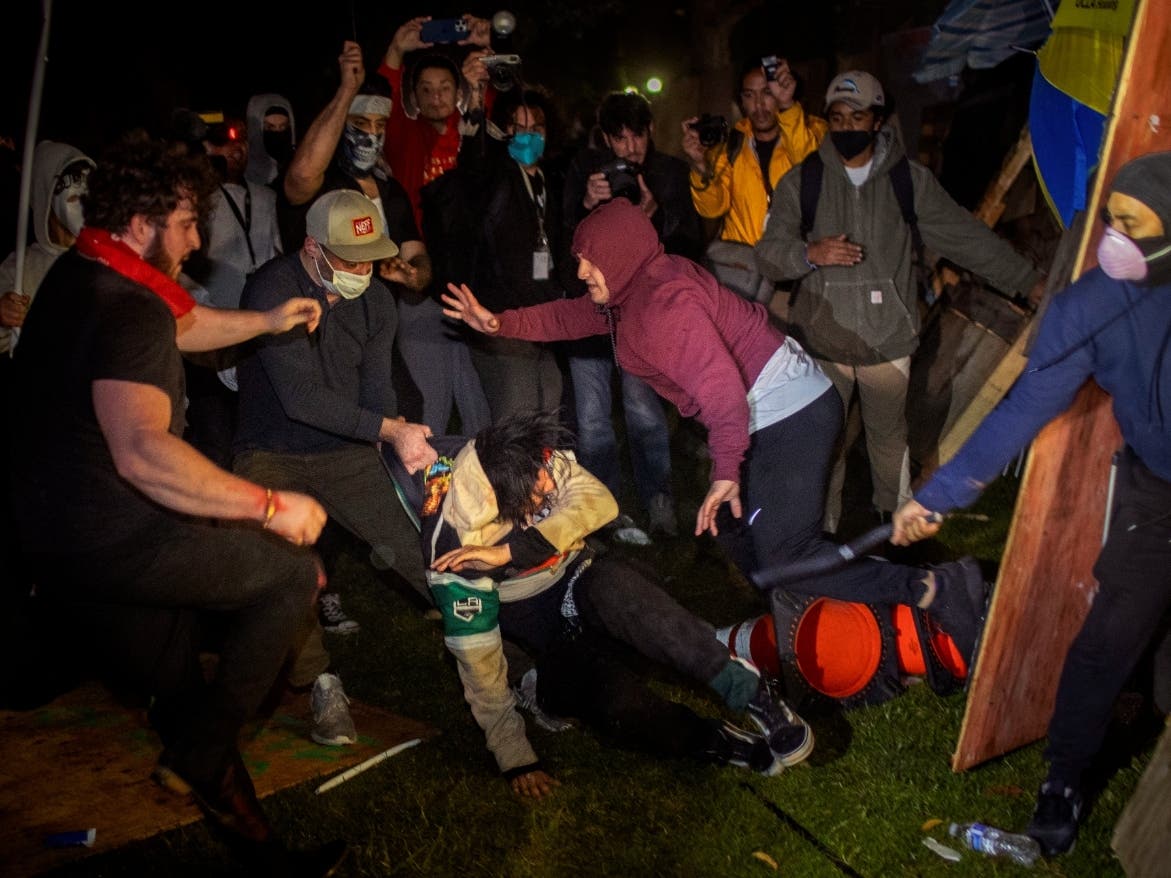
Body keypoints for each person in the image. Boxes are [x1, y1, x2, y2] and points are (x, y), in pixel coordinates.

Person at [442, 197, 989, 668]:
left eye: (589, 263)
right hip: (770, 414)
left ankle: (933, 588)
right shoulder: (637, 288)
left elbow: (724, 394)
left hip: (790, 415)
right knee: (734, 531)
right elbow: (573, 317)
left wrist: (726, 471)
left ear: (619, 256)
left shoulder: (664, 307)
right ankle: (806, 607)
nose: (582, 272)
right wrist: (502, 323)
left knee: (784, 553)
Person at [8, 130, 345, 874]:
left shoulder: (84, 270)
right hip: (113, 535)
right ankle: (200, 749)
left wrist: (263, 320)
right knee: (286, 575)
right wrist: (267, 506)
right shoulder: (126, 307)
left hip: (52, 536)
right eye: (188, 223)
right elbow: (142, 450)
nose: (197, 242)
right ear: (142, 224)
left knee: (178, 692)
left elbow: (182, 325)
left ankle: (258, 851)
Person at [891, 150, 1171, 858]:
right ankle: (1064, 782)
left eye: (1131, 225)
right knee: (1107, 637)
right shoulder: (1088, 307)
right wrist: (939, 496)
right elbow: (1025, 407)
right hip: (1155, 492)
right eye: (1110, 218)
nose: (1113, 237)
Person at [389, 409, 813, 798]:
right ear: (506, 502)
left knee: (626, 594)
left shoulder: (522, 456)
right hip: (549, 639)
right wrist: (515, 757)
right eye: (539, 495)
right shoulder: (453, 552)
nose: (553, 486)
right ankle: (716, 742)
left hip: (582, 578)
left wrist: (513, 552)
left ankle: (751, 693)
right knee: (617, 704)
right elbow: (479, 670)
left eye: (548, 475)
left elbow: (599, 502)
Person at [755, 70, 1044, 533]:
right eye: (837, 118)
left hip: (886, 339)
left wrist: (1025, 280)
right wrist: (808, 254)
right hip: (822, 341)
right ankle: (819, 536)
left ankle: (895, 531)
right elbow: (769, 255)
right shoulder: (801, 181)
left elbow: (964, 238)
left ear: (879, 119)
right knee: (823, 444)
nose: (848, 128)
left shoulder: (909, 182)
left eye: (858, 116)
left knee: (889, 443)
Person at [234, 188, 439, 747]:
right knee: (288, 573)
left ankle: (515, 661)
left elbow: (376, 386)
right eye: (350, 259)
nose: (363, 270)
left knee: (421, 546)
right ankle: (320, 681)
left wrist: (393, 436)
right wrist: (385, 429)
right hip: (271, 450)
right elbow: (299, 397)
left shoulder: (375, 300)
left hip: (345, 448)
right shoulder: (273, 287)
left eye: (371, 256)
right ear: (312, 248)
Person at [562, 90, 702, 539]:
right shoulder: (585, 172)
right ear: (604, 138)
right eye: (619, 139)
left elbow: (689, 246)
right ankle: (605, 511)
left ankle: (659, 503)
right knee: (591, 419)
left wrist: (652, 216)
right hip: (588, 315)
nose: (630, 148)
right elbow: (559, 237)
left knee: (644, 412)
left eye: (637, 135)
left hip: (641, 318)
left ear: (650, 131)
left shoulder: (668, 173)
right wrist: (585, 205)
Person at [442, 86, 570, 422]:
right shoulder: (494, 178)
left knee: (549, 409)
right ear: (504, 131)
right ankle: (507, 476)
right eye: (518, 128)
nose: (528, 136)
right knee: (517, 416)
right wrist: (474, 101)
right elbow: (473, 164)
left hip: (542, 319)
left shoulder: (550, 180)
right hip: (501, 319)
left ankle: (540, 476)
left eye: (536, 128)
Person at [682, 55, 825, 303]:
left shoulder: (810, 129)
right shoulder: (732, 142)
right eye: (749, 95)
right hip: (743, 274)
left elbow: (811, 169)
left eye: (767, 93)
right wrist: (699, 165)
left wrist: (788, 107)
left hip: (793, 276)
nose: (759, 105)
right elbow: (713, 208)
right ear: (740, 100)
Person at [245, 93, 296, 190]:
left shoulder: (298, 165)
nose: (277, 133)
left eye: (283, 126)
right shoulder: (240, 170)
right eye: (269, 127)